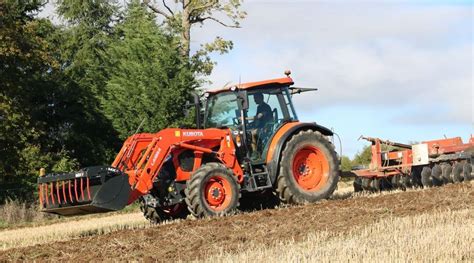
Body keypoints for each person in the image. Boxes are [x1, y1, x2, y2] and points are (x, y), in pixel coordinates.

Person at [250, 93, 272, 159]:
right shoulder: (259, 107)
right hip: (261, 126)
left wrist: (245, 118)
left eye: (255, 98)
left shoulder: (266, 107)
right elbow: (256, 120)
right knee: (248, 132)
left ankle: (255, 153)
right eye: (254, 99)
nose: (254, 100)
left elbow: (259, 116)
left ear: (260, 98)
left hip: (266, 127)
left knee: (253, 133)